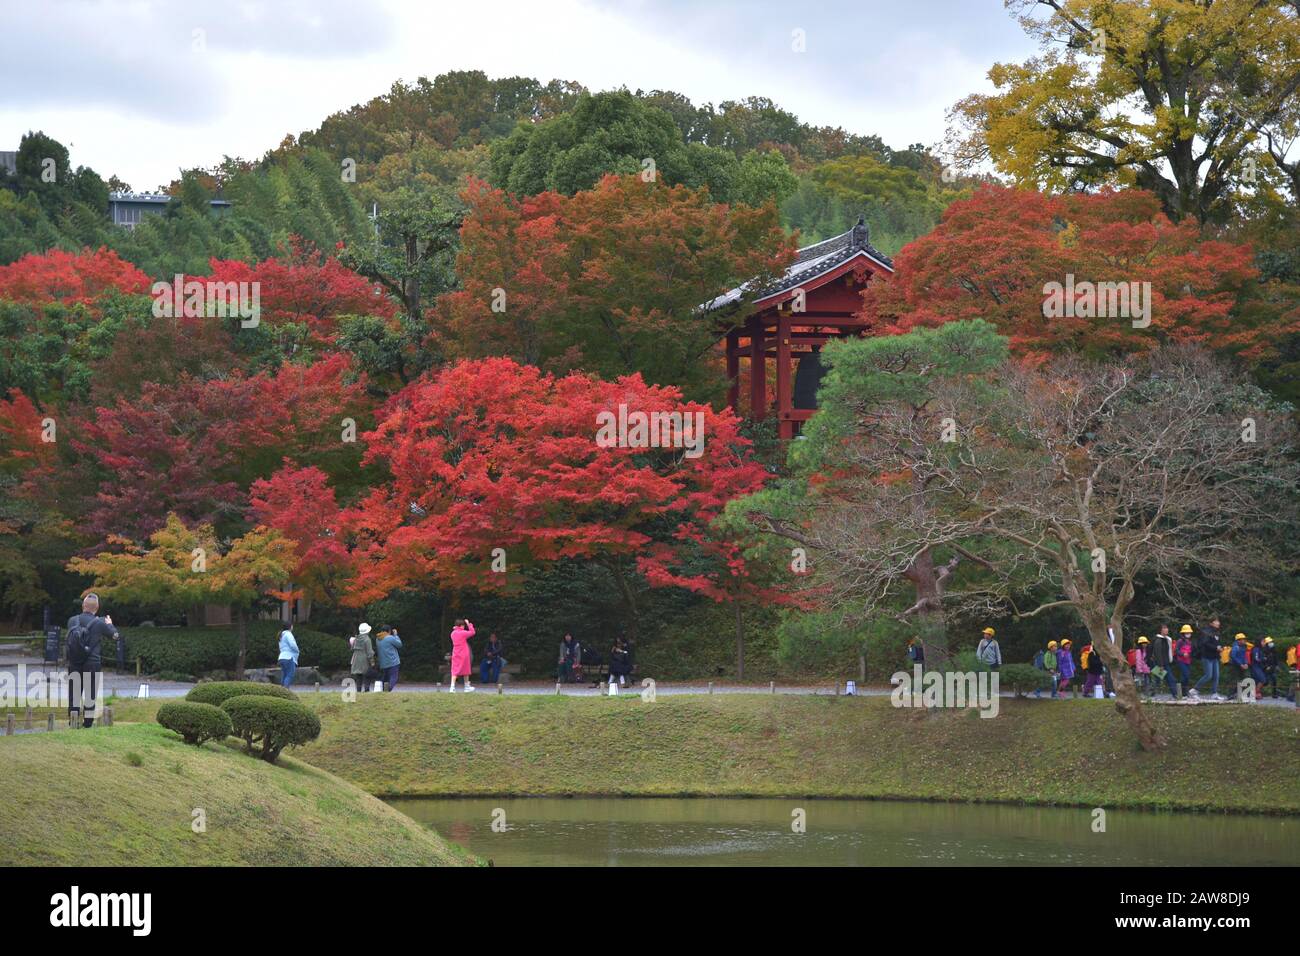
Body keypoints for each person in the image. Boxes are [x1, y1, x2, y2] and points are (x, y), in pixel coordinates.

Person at [66, 592, 117, 728]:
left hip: (74, 662)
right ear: (97, 607)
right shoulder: (100, 623)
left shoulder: (72, 620)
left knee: (74, 694)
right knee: (90, 694)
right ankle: (87, 724)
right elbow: (115, 636)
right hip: (92, 663)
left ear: (83, 605)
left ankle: (73, 722)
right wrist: (110, 624)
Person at [1192, 617, 1223, 699]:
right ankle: (1194, 690)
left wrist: (1220, 648)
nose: (1218, 623)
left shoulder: (1217, 632)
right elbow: (1205, 644)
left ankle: (1214, 693)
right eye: (1216, 621)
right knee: (1208, 675)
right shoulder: (1206, 632)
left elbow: (1217, 643)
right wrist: (1216, 648)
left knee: (1216, 676)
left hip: (1215, 657)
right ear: (1211, 623)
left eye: (1218, 621)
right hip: (1207, 656)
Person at [1150, 625, 1177, 698]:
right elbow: (1158, 653)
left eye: (1167, 628)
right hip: (1161, 664)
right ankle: (1175, 694)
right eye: (1164, 628)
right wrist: (1160, 665)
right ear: (1160, 630)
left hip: (1165, 663)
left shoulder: (1166, 639)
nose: (1166, 629)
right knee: (1170, 679)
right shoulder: (1159, 640)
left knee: (1159, 679)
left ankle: (1151, 693)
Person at [449, 618, 476, 692]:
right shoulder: (463, 633)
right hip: (464, 653)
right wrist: (469, 624)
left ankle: (452, 687)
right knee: (466, 670)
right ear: (461, 626)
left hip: (455, 653)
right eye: (463, 625)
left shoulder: (452, 633)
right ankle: (466, 687)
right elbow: (473, 632)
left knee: (454, 670)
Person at [350, 623, 376, 693]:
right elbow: (369, 652)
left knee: (358, 675)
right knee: (367, 675)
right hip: (364, 660)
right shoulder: (367, 639)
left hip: (356, 659)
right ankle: (366, 690)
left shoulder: (356, 638)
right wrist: (372, 662)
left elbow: (352, 648)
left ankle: (358, 691)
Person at [377, 626, 403, 692]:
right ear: (389, 631)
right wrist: (396, 635)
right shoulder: (390, 638)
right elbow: (399, 645)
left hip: (383, 663)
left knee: (386, 678)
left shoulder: (378, 639)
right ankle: (388, 690)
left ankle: (384, 691)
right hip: (393, 661)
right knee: (393, 677)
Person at [277, 619, 299, 688]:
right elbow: (293, 645)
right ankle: (286, 691)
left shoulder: (281, 635)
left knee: (284, 675)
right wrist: (297, 650)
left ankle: (281, 691)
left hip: (281, 657)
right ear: (290, 627)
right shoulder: (288, 634)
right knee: (289, 675)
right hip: (289, 657)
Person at [1173, 625, 1194, 697]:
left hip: (1188, 661)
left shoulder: (1190, 642)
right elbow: (1176, 650)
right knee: (1186, 675)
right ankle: (1184, 692)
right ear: (1183, 633)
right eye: (1186, 632)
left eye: (1189, 632)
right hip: (1181, 661)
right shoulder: (1180, 641)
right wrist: (1182, 654)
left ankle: (1184, 693)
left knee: (1185, 677)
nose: (1188, 633)